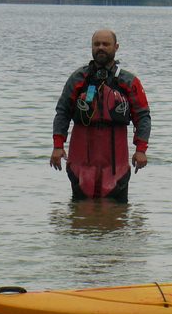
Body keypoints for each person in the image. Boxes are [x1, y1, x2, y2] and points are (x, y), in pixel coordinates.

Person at [50, 29, 151, 203]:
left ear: (116, 47)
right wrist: (58, 146)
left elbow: (143, 117)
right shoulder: (78, 79)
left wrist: (141, 150)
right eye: (97, 44)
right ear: (91, 47)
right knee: (80, 214)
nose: (101, 48)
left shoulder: (128, 81)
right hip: (81, 160)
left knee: (116, 214)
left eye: (106, 44)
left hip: (115, 161)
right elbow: (63, 112)